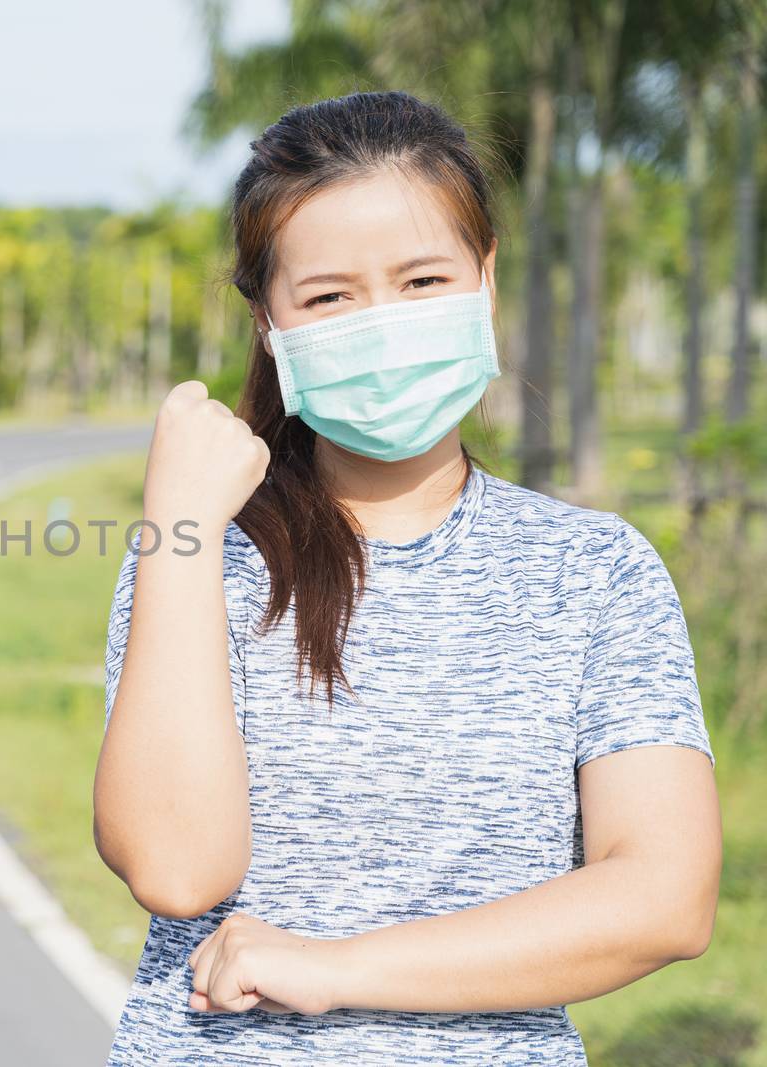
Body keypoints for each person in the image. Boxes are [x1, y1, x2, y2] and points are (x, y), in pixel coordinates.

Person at [92, 90, 720, 1065]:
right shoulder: (200, 557)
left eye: (423, 279)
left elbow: (662, 899)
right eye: (331, 297)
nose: (383, 326)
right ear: (267, 321)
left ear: (487, 279)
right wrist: (177, 527)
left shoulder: (592, 572)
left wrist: (335, 966)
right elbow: (176, 866)